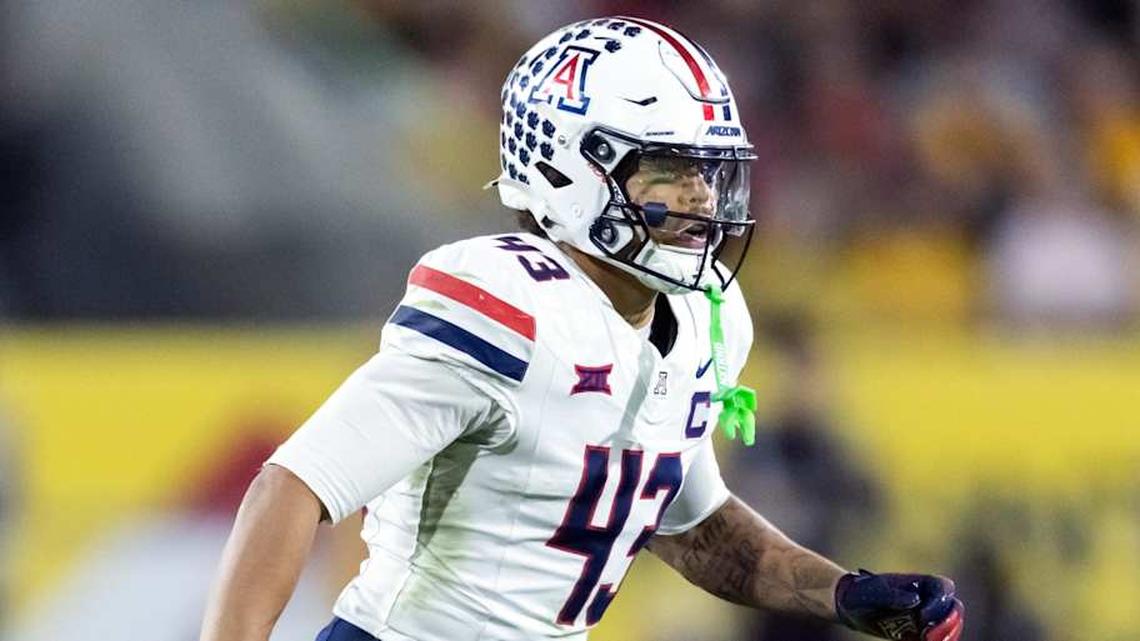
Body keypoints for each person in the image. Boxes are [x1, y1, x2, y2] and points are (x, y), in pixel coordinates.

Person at [200, 16, 964, 641]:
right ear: (569, 170)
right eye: (669, 169)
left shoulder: (704, 317)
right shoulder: (509, 303)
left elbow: (693, 525)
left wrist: (842, 591)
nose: (702, 197)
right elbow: (292, 486)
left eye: (708, 170)